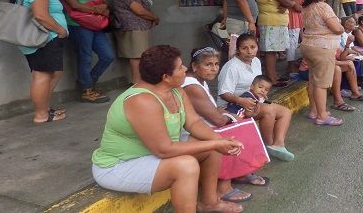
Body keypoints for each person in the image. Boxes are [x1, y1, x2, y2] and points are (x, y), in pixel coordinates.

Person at [91, 45, 244, 213]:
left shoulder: (176, 90)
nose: (185, 68)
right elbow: (164, 150)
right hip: (120, 165)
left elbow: (194, 123)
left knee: (211, 142)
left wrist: (219, 141)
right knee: (186, 165)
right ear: (166, 77)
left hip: (151, 156)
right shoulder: (142, 101)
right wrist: (215, 144)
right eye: (180, 67)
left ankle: (209, 203)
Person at [182, 47, 265, 203]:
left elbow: (214, 110)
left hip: (202, 127)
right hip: (192, 133)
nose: (213, 69)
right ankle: (223, 187)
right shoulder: (192, 86)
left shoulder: (200, 81)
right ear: (194, 66)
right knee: (231, 133)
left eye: (216, 64)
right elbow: (218, 120)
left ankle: (241, 172)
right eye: (208, 65)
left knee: (245, 124)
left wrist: (234, 116)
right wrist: (233, 117)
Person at [9, 0, 69, 123]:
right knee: (42, 74)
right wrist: (60, 30)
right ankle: (41, 115)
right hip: (45, 38)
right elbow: (41, 16)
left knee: (52, 72)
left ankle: (45, 108)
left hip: (39, 39)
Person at [217, 34, 295, 161]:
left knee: (285, 112)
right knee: (269, 112)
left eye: (253, 47)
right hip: (232, 107)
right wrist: (240, 100)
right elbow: (223, 93)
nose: (249, 51)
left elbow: (257, 84)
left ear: (257, 47)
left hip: (252, 102)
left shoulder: (256, 62)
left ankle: (278, 144)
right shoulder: (231, 67)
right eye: (244, 48)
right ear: (238, 49)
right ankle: (268, 145)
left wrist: (263, 94)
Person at [58, 0, 113, 103]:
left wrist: (104, 7)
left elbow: (104, 1)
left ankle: (87, 82)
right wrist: (97, 9)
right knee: (85, 57)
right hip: (79, 25)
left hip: (96, 24)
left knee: (107, 56)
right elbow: (74, 5)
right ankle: (86, 91)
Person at [300, 0, 346, 126]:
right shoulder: (323, 6)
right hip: (322, 48)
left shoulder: (306, 7)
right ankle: (322, 115)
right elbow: (337, 28)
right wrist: (341, 27)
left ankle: (314, 111)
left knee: (313, 80)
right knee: (321, 83)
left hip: (308, 46)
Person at [254, 0, 302, 86]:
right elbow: (286, 2)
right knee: (270, 52)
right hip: (271, 23)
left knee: (273, 51)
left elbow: (283, 3)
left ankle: (273, 76)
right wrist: (290, 3)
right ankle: (271, 79)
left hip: (274, 23)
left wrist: (286, 4)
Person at [112, 0, 159, 84]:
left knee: (139, 55)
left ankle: (138, 83)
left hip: (138, 28)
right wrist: (154, 18)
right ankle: (137, 84)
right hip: (133, 28)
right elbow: (139, 10)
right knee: (137, 56)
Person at [282, 0, 304, 75]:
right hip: (292, 18)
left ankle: (291, 64)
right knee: (292, 43)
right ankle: (290, 66)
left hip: (293, 17)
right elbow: (297, 7)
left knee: (293, 42)